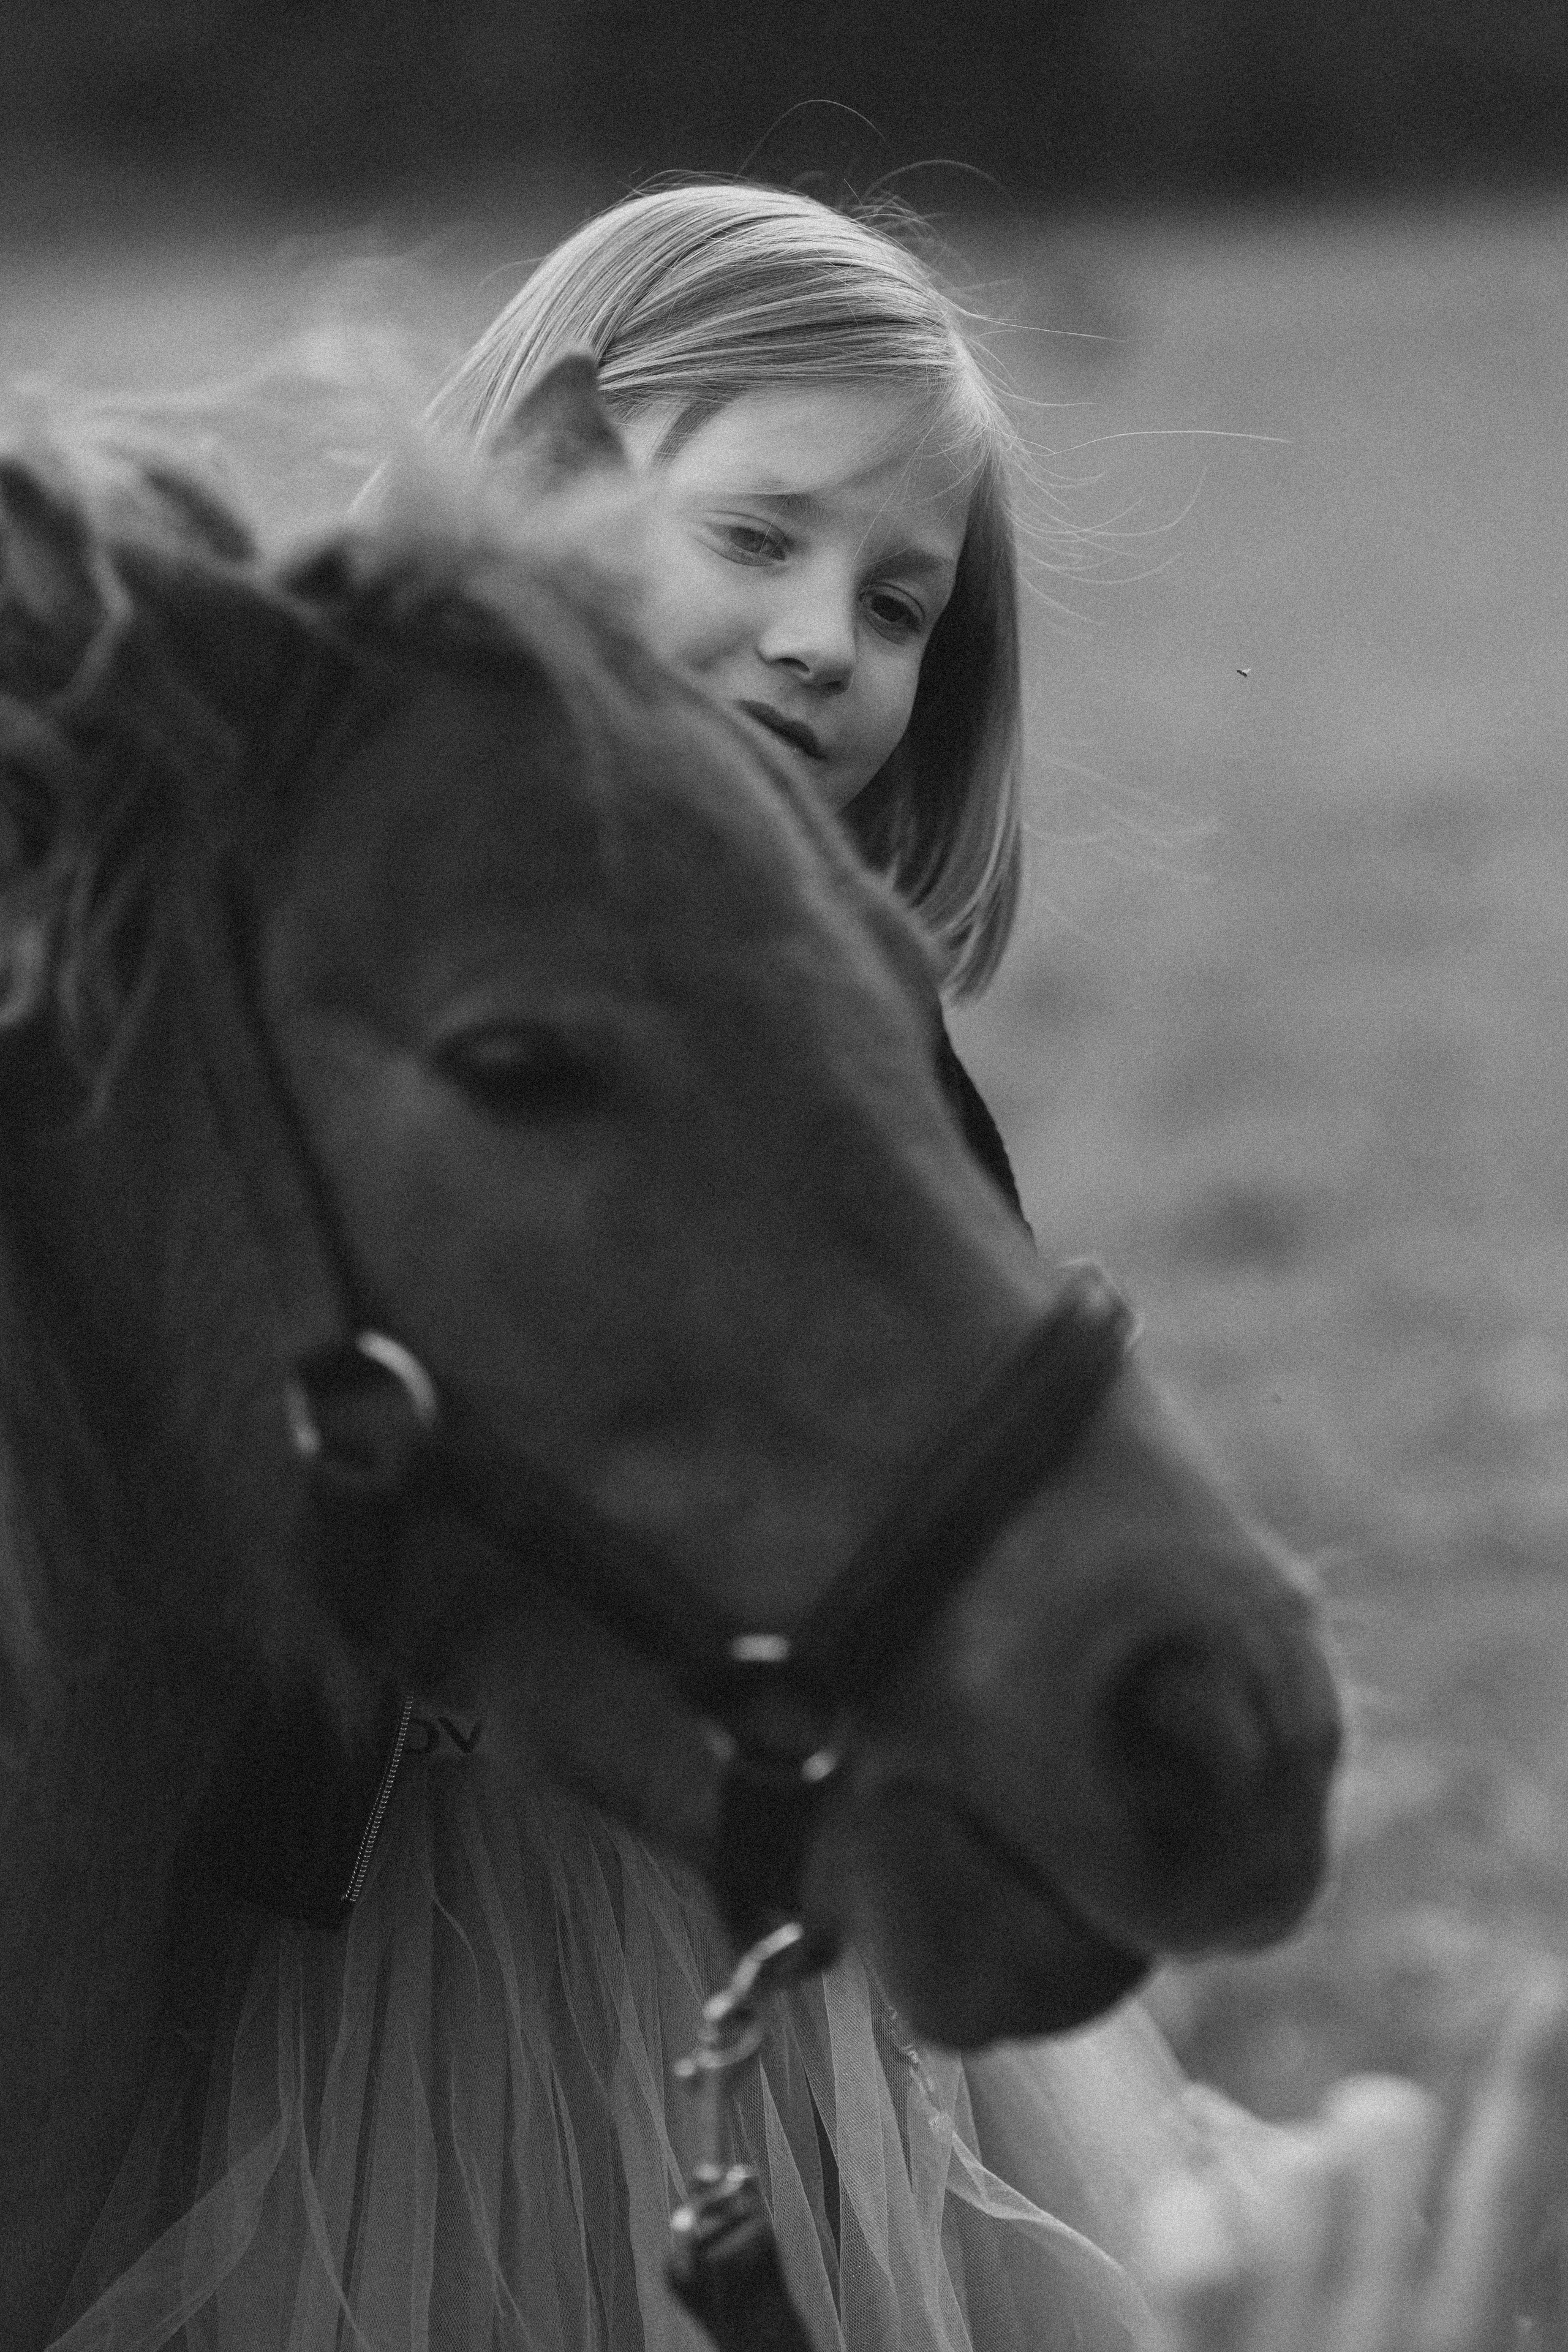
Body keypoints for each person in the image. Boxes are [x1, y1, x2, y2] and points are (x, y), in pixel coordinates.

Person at [47, 179, 1568, 2352]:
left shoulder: (835, 1047)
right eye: (756, 541)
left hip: (713, 1913)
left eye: (898, 598)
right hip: (399, 1952)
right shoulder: (332, 985)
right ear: (540, 504)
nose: (820, 639)